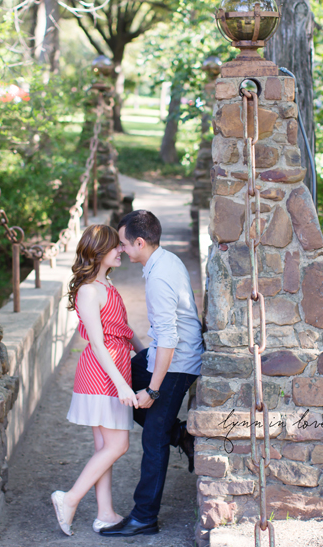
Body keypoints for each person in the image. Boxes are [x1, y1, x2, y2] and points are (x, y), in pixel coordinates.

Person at [100, 210, 203, 538]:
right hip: (162, 354)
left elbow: (171, 340)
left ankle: (144, 516)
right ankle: (180, 435)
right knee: (120, 384)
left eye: (123, 244)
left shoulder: (159, 277)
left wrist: (154, 391)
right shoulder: (163, 260)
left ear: (140, 242)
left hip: (176, 364)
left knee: (152, 436)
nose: (121, 250)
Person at [51, 224, 146, 536]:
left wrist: (146, 354)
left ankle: (105, 513)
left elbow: (123, 329)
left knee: (104, 446)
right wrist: (120, 384)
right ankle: (70, 499)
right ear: (99, 252)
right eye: (115, 246)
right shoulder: (89, 291)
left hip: (116, 370)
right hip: (101, 375)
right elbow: (97, 343)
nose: (121, 249)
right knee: (118, 444)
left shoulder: (107, 285)